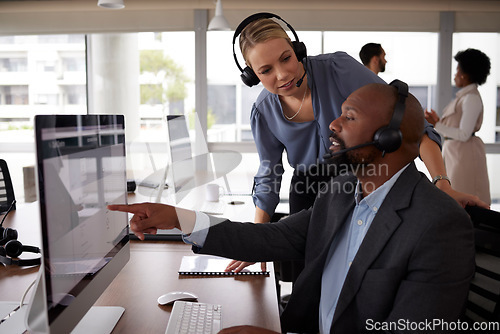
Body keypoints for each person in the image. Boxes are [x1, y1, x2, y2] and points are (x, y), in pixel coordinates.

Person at [108, 82, 475, 334]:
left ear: (388, 138)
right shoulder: (342, 191)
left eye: (349, 117)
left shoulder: (439, 226)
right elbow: (272, 238)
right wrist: (176, 217)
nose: (333, 124)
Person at [228, 13, 485, 277]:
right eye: (266, 70)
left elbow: (409, 123)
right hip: (307, 190)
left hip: (360, 183)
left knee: (362, 275)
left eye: (286, 58)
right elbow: (269, 173)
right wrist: (255, 240)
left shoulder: (337, 69)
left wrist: (442, 182)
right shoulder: (263, 111)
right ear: (252, 76)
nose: (283, 75)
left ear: (297, 50)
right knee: (310, 279)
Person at [425, 48, 491, 205]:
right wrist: (439, 123)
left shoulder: (471, 98)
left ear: (465, 74)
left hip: (464, 155)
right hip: (457, 154)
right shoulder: (466, 97)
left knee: (465, 196)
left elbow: (464, 134)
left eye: (457, 70)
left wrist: (438, 125)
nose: (455, 75)